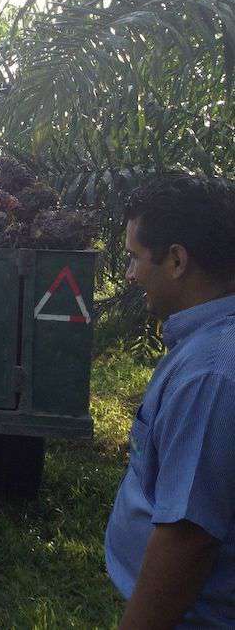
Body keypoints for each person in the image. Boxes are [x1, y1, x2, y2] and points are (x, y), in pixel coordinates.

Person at [105, 175, 235, 628]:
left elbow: (187, 538)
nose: (130, 274)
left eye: (135, 258)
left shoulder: (210, 375)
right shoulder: (209, 345)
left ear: (177, 260)